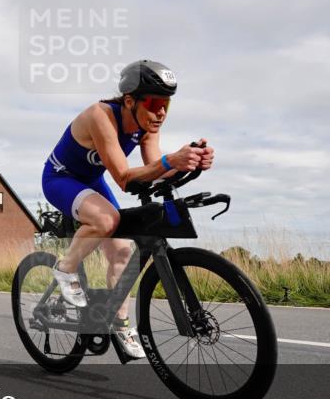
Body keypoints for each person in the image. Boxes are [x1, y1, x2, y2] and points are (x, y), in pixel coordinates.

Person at [41, 59, 214, 359]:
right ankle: (64, 269)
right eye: (154, 103)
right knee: (107, 220)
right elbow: (123, 178)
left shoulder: (148, 126)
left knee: (123, 252)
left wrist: (191, 161)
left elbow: (154, 169)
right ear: (130, 101)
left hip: (91, 180)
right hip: (61, 178)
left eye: (166, 105)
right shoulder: (101, 115)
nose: (160, 112)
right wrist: (170, 161)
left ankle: (120, 322)